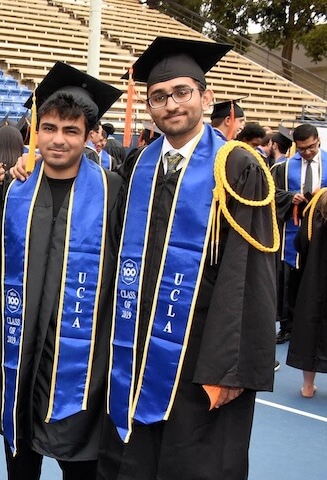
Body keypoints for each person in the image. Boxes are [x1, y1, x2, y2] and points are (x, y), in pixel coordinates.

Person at [97, 36, 277, 480]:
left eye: (182, 92)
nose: (171, 104)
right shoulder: (139, 165)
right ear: (149, 108)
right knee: (136, 459)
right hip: (137, 343)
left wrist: (230, 367)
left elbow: (249, 274)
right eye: (159, 97)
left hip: (203, 351)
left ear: (205, 96)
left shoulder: (237, 167)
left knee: (195, 461)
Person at [0, 62, 124, 480]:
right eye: (48, 128)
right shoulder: (15, 189)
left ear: (89, 136)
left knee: (81, 466)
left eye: (71, 131)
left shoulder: (112, 192)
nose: (58, 139)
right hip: (22, 352)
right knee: (20, 461)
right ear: (35, 131)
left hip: (81, 360)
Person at [271, 124, 326, 346]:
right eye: (302, 149)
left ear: (318, 140)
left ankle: (318, 329)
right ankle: (288, 327)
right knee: (291, 282)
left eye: (311, 147)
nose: (308, 152)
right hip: (293, 232)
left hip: (323, 233)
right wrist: (289, 197)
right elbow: (270, 194)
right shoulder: (282, 168)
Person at [286, 191, 327, 398]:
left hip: (315, 278)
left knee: (311, 329)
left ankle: (308, 386)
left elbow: (301, 241)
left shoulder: (316, 203)